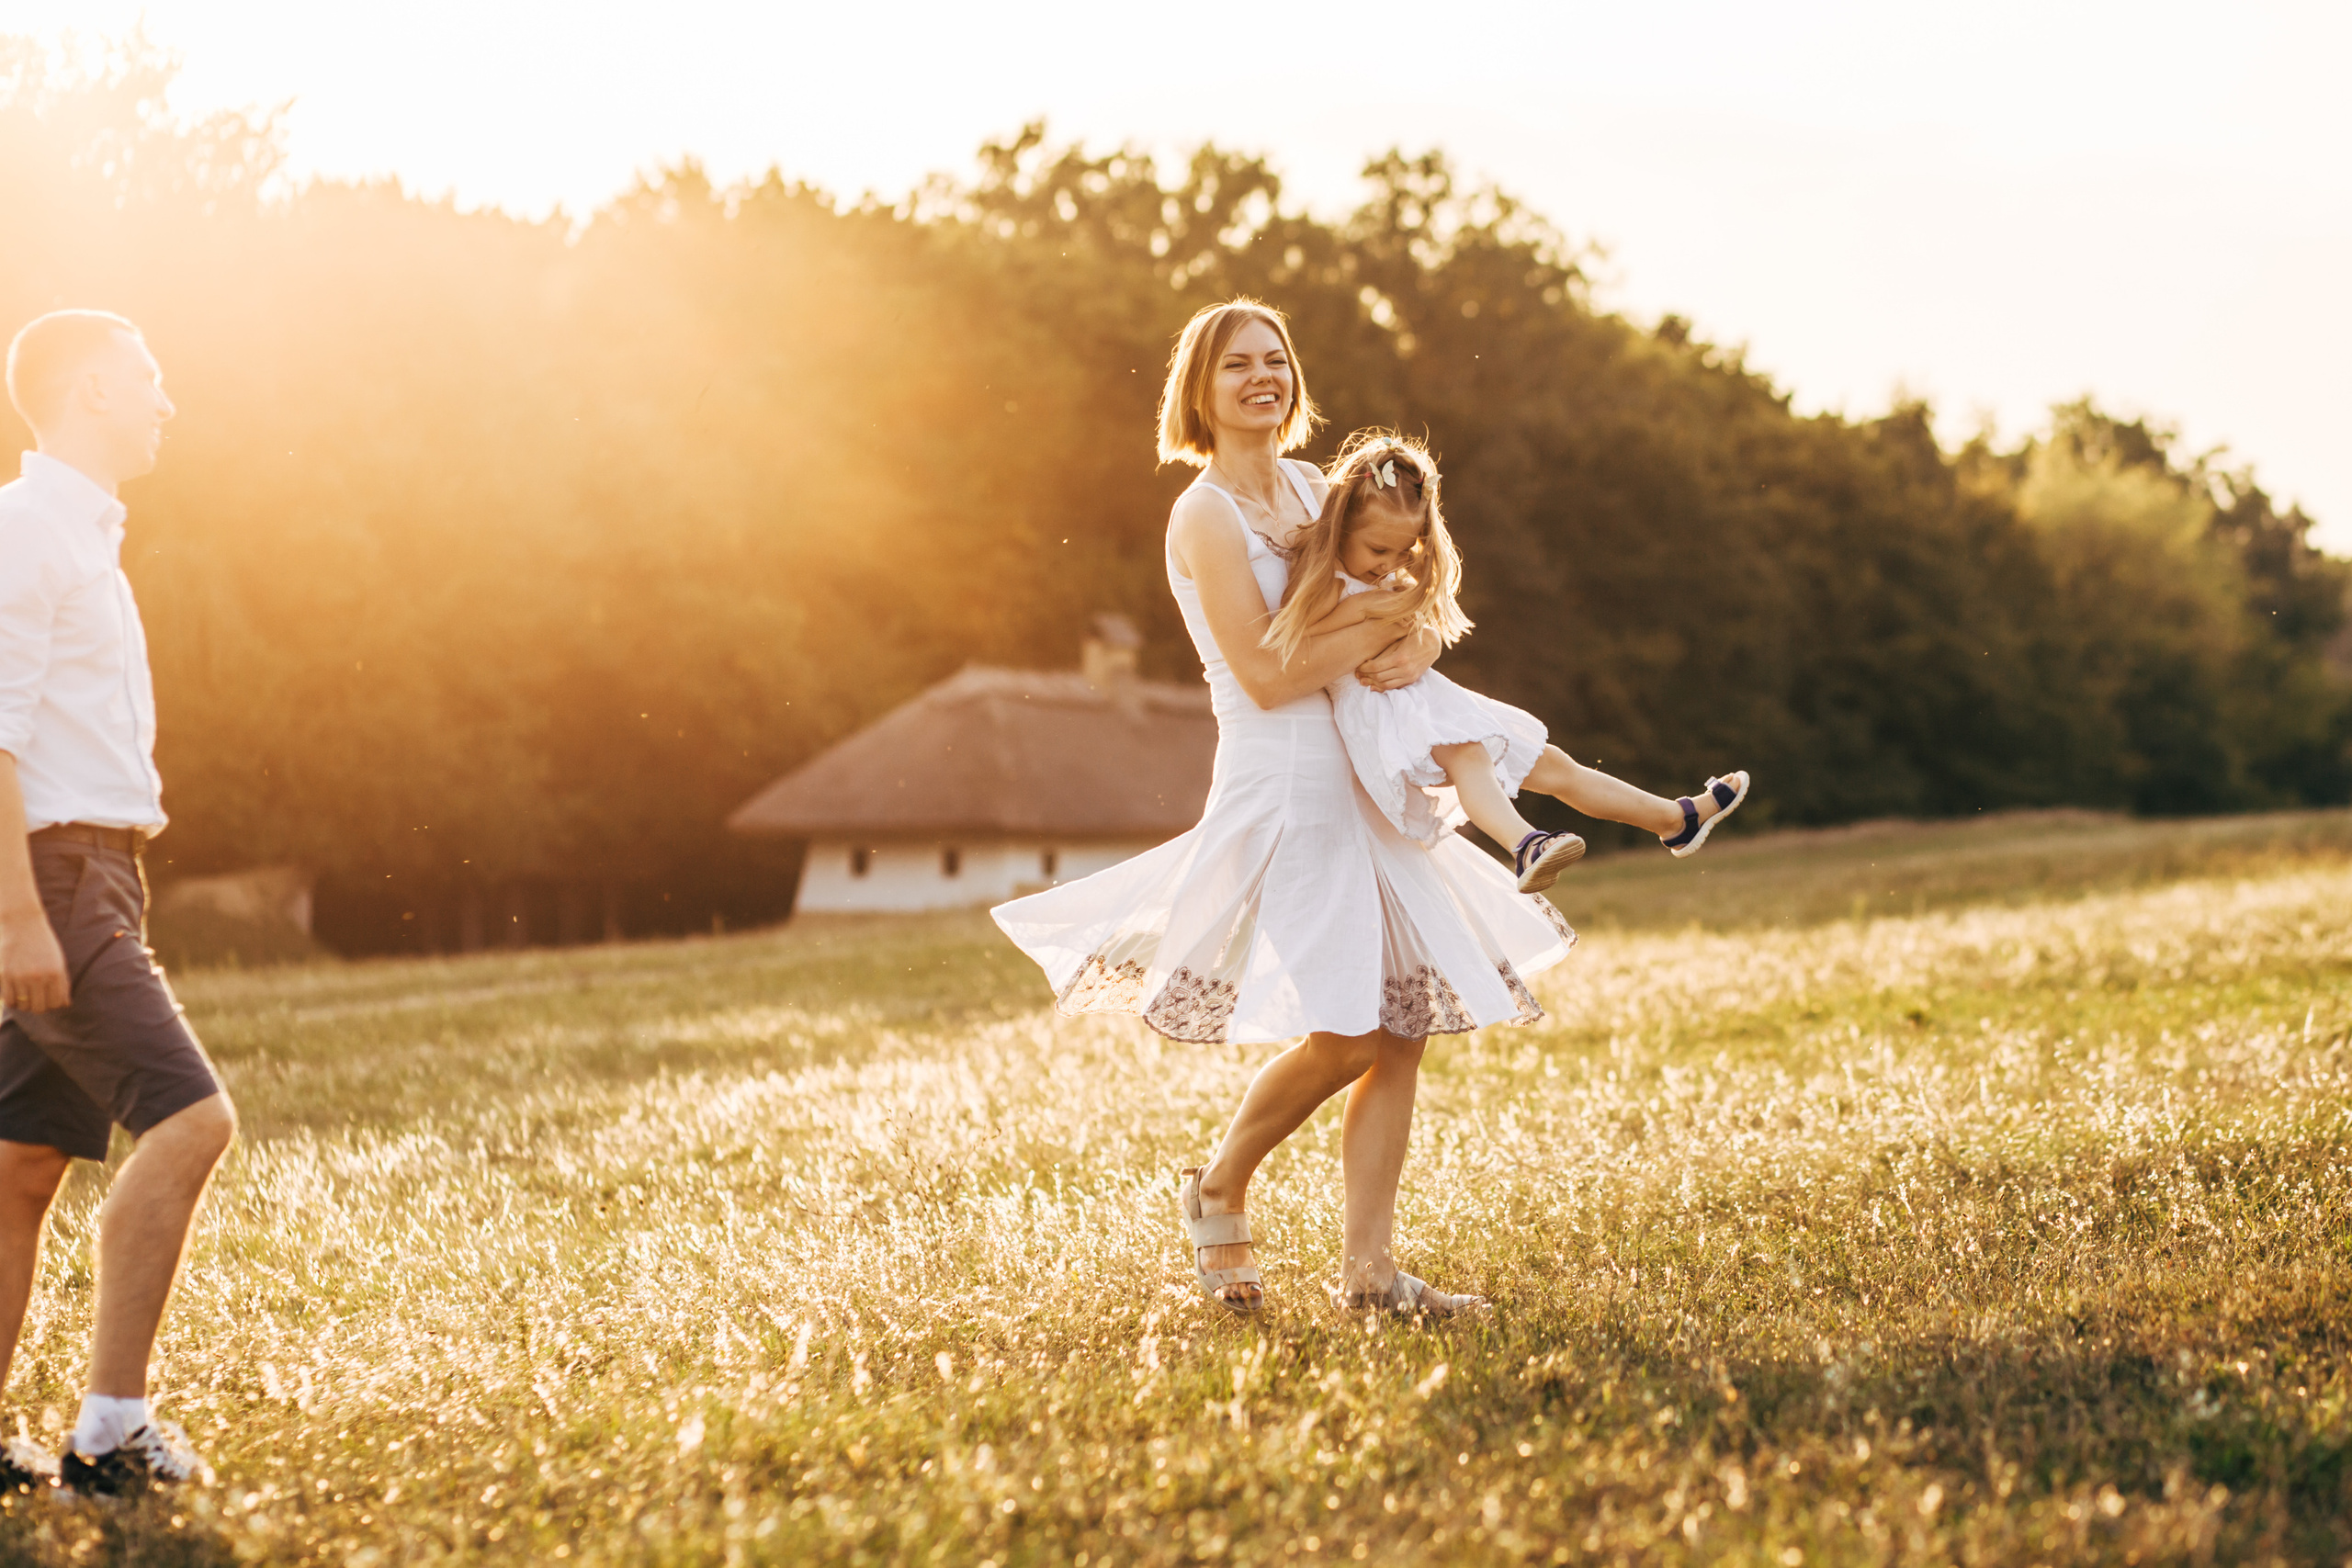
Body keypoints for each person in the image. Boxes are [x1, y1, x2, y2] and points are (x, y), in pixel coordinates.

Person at [993, 299, 1570, 1321]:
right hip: (1284, 788)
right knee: (1346, 1032)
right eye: (1236, 366)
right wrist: (1391, 616)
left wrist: (1416, 632)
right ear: (1200, 392)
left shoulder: (1316, 486)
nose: (1261, 376)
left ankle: (1371, 1277)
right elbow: (1265, 675)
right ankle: (1219, 1184)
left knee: (1401, 1029)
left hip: (1363, 776)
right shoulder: (1203, 513)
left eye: (1275, 359)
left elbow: (1405, 607)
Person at [0, 310, 234, 1495]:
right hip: (49, 878)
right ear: (94, 388)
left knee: (23, 1164)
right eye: (151, 378)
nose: (165, 403)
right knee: (192, 1121)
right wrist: (20, 921)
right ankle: (111, 1429)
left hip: (87, 872)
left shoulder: (82, 536)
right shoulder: (29, 532)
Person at [1263, 429, 1749, 892]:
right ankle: (1525, 845)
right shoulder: (1326, 579)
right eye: (1377, 549)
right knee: (1470, 754)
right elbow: (1299, 636)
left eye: (1403, 551)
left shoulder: (1382, 576)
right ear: (1342, 522)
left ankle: (1675, 819)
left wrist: (1417, 629)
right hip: (1385, 709)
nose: (1391, 562)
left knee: (1555, 766)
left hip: (1428, 697)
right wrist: (1371, 608)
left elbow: (1412, 622)